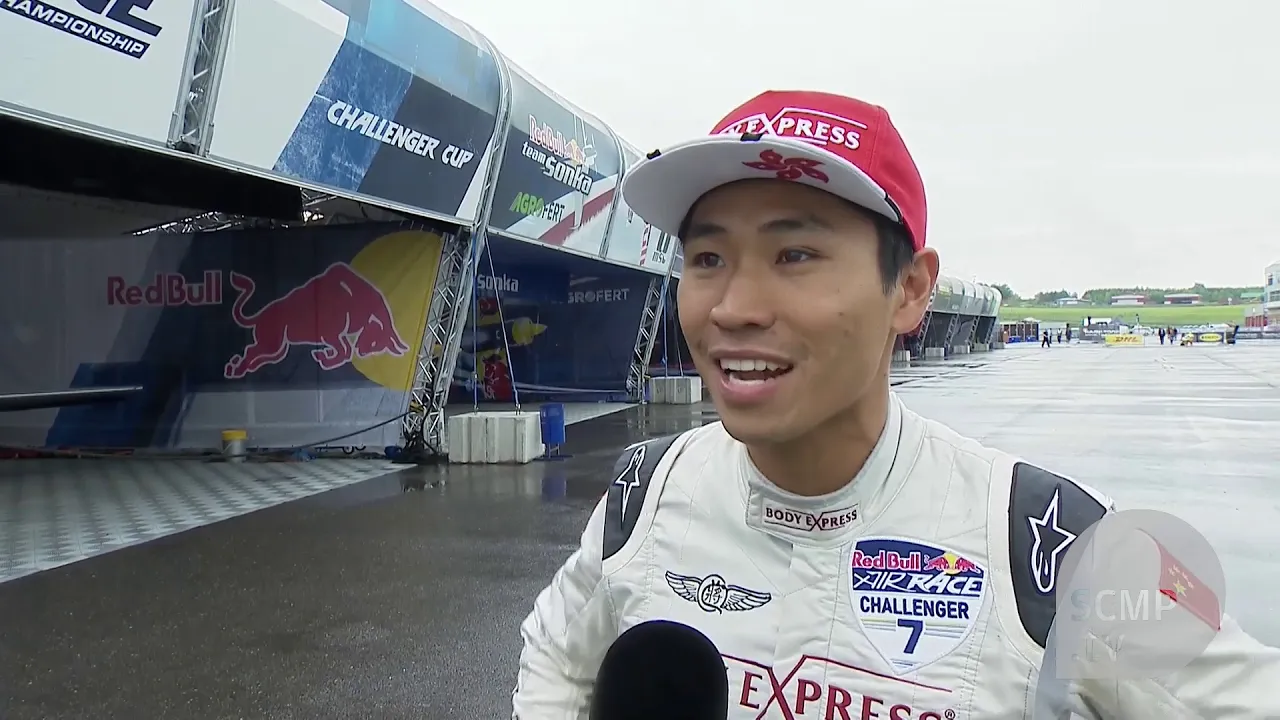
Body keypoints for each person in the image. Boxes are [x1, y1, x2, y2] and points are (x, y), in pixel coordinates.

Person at [510, 90, 1280, 719]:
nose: (735, 307)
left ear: (911, 289)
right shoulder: (646, 493)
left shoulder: (1057, 540)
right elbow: (554, 653)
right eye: (708, 257)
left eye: (795, 255)